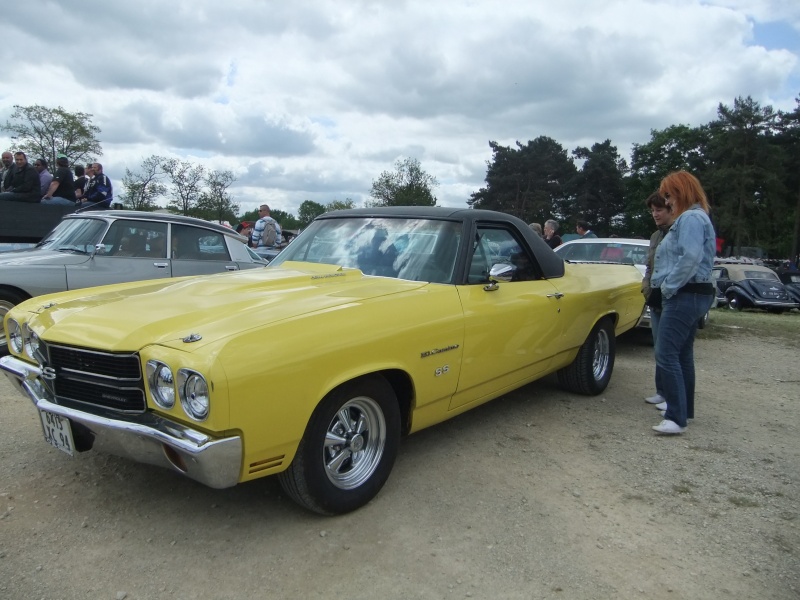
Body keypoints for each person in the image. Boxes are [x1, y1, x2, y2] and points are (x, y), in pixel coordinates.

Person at [650, 171, 716, 435]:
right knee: (682, 354)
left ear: (681, 192)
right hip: (695, 293)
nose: (667, 202)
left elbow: (689, 257)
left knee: (665, 352)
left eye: (668, 195)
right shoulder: (698, 217)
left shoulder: (689, 218)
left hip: (685, 293)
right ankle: (683, 408)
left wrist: (667, 287)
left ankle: (676, 416)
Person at [641, 192, 673, 410]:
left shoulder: (677, 234)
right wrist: (646, 287)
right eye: (652, 210)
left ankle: (672, 396)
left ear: (671, 209)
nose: (655, 214)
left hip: (671, 297)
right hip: (655, 298)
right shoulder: (655, 236)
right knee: (659, 348)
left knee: (670, 349)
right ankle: (661, 391)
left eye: (659, 210)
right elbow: (650, 266)